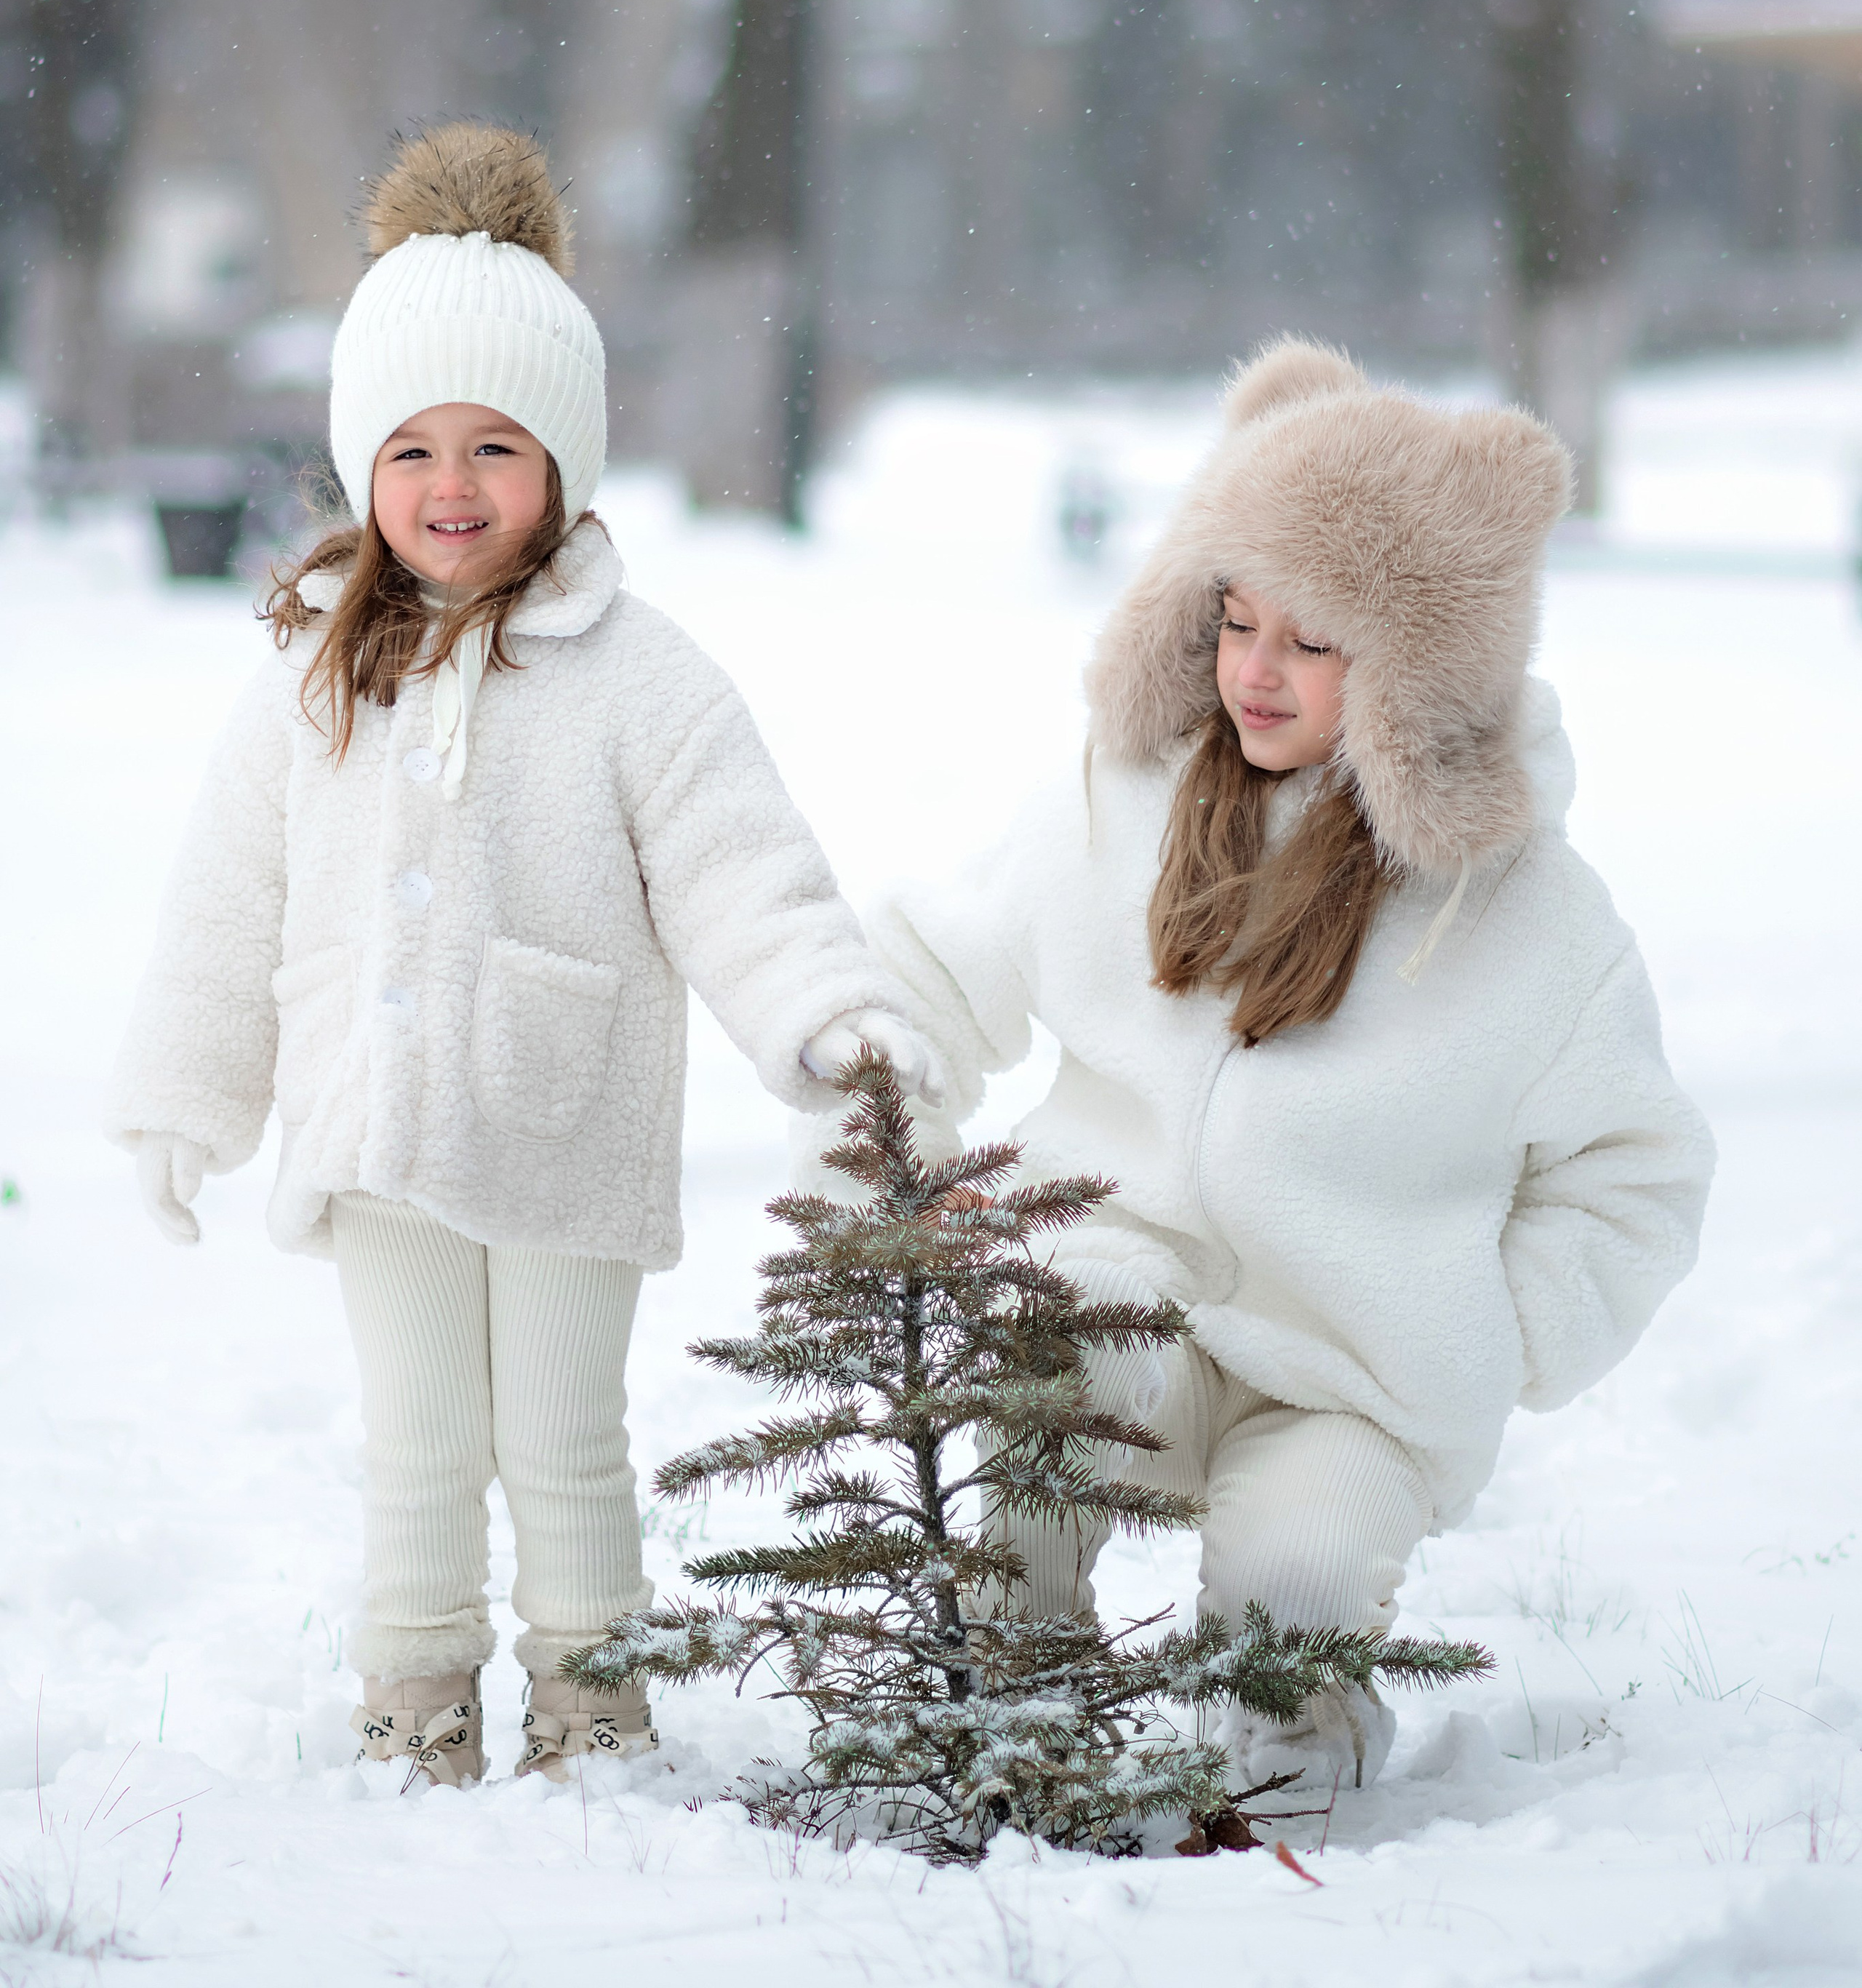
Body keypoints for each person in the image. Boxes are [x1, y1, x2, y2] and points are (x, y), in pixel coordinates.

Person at [106, 122, 937, 1789]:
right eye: (411, 449)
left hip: (564, 1119)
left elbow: (742, 874)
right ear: (361, 468)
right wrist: (184, 1098)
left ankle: (591, 1697)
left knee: (562, 1441)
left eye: (496, 445)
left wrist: (831, 1019)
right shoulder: (311, 681)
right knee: (416, 1442)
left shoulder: (641, 676)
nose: (453, 486)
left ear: (564, 462)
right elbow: (226, 904)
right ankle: (414, 1695)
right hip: (373, 1122)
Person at [872, 338, 1714, 1800]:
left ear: (1416, 674)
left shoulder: (1526, 918)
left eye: (1311, 642)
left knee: (1298, 1573)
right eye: (1234, 620)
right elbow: (933, 974)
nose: (1253, 673)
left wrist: (1488, 1334)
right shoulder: (1122, 803)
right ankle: (1017, 1710)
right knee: (1029, 1386)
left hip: (1350, 1371)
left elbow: (1634, 1173)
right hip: (1123, 1291)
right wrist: (900, 1158)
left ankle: (1282, 1768)